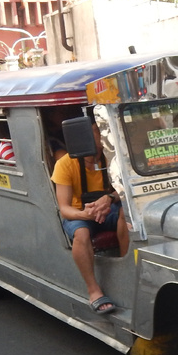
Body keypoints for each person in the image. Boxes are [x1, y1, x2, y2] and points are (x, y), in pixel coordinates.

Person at [50, 121, 129, 315]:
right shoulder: (65, 164)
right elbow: (65, 209)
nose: (102, 137)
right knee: (81, 233)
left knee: (127, 214)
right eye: (97, 133)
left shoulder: (113, 159)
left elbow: (127, 190)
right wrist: (85, 214)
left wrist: (109, 198)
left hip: (108, 209)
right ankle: (93, 290)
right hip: (80, 213)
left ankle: (127, 269)